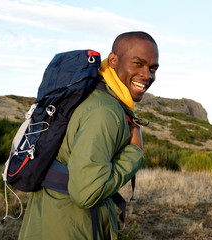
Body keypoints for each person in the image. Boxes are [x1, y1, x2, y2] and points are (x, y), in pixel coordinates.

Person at [18, 31, 159, 240]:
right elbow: (86, 193)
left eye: (152, 68)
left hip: (47, 220)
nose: (147, 75)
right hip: (69, 228)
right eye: (138, 64)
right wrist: (135, 153)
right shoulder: (105, 111)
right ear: (113, 60)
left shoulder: (95, 96)